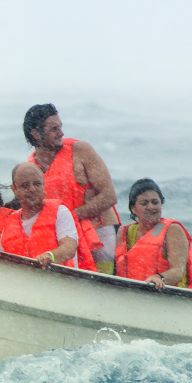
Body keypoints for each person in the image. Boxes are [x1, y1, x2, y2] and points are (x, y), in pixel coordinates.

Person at [23, 103, 119, 273]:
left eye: (60, 127)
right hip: (64, 237)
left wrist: (71, 217)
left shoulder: (80, 150)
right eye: (54, 129)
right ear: (36, 134)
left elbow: (109, 196)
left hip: (99, 235)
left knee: (102, 286)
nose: (61, 133)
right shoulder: (30, 168)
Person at [0, 162, 96, 271]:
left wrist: (50, 256)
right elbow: (0, 260)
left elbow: (69, 248)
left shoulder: (60, 211)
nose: (32, 189)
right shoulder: (8, 222)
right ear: (14, 190)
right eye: (25, 185)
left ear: (43, 184)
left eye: (36, 184)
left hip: (58, 282)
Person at [116, 179, 192, 290]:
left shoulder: (173, 230)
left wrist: (159, 278)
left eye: (155, 202)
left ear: (161, 204)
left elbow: (178, 272)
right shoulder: (124, 232)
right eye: (144, 203)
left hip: (168, 298)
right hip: (131, 295)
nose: (150, 207)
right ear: (133, 208)